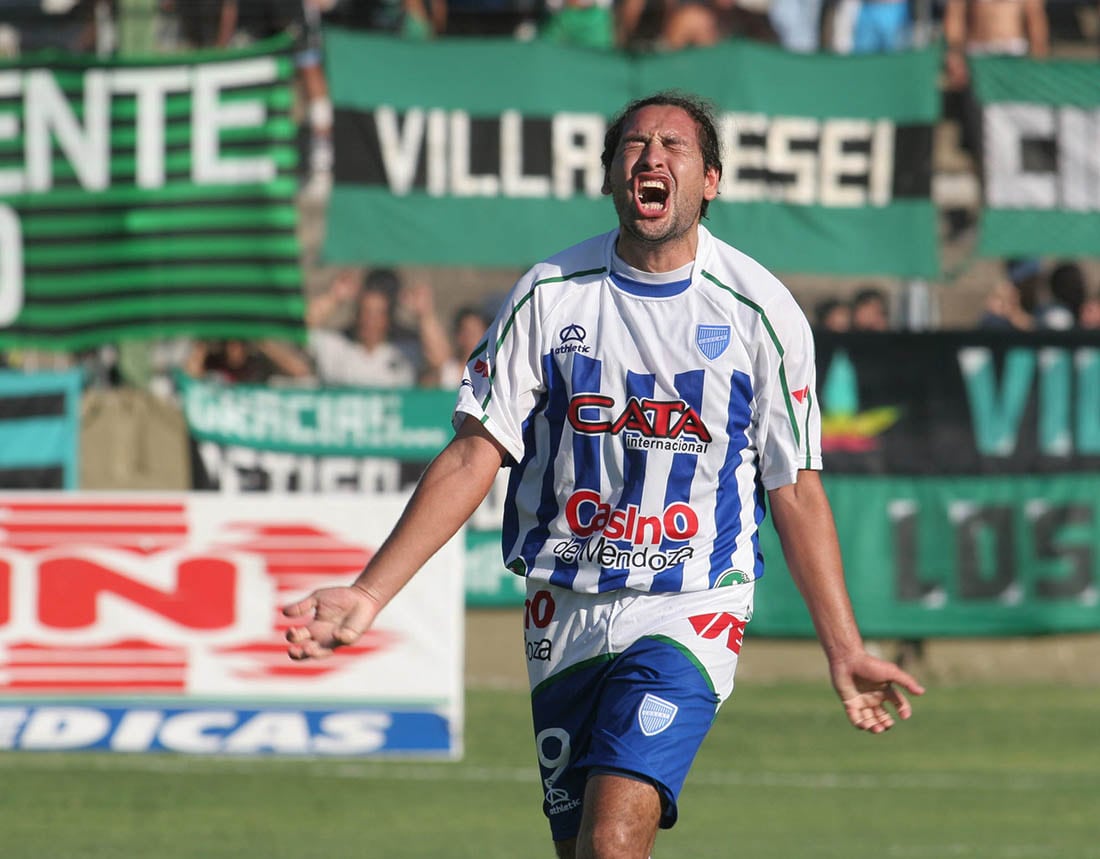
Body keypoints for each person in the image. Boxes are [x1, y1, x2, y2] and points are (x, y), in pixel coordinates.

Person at [283, 91, 924, 859]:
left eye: (674, 146)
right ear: (613, 178)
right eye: (635, 146)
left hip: (690, 605)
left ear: (711, 180)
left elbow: (794, 487)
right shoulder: (549, 294)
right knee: (584, 847)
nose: (652, 157)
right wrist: (367, 591)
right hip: (566, 611)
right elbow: (471, 453)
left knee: (616, 841)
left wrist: (843, 646)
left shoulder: (763, 312)